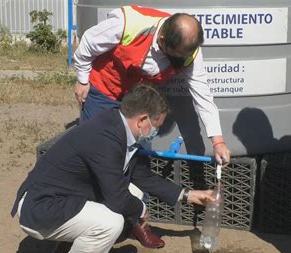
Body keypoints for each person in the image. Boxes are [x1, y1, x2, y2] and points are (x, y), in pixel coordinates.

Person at [10, 83, 216, 253]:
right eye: (157, 126)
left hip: (66, 195)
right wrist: (141, 211)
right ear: (142, 120)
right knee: (110, 224)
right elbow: (117, 198)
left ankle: (68, 246)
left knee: (133, 193)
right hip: (40, 207)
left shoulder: (118, 126)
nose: (156, 131)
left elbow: (141, 176)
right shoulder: (105, 138)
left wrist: (188, 195)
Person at [73, 5, 231, 167]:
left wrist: (218, 141)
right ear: (162, 41)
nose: (183, 60)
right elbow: (88, 42)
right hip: (104, 90)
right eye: (177, 56)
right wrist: (83, 80)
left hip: (137, 102)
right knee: (95, 148)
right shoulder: (128, 23)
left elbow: (203, 97)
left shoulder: (189, 53)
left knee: (131, 155)